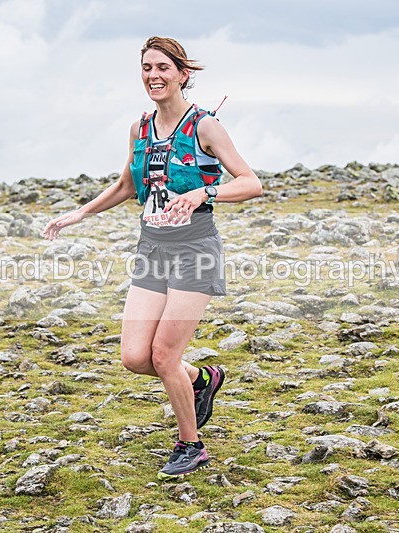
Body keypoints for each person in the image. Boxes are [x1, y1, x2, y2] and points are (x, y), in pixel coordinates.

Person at [44, 36, 262, 480]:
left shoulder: (204, 126)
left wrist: (205, 190)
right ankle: (201, 380)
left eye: (163, 67)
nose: (153, 75)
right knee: (134, 356)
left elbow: (251, 182)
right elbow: (127, 185)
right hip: (152, 249)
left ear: (183, 75)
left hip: (195, 250)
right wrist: (80, 212)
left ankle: (190, 445)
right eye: (146, 68)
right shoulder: (139, 127)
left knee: (163, 355)